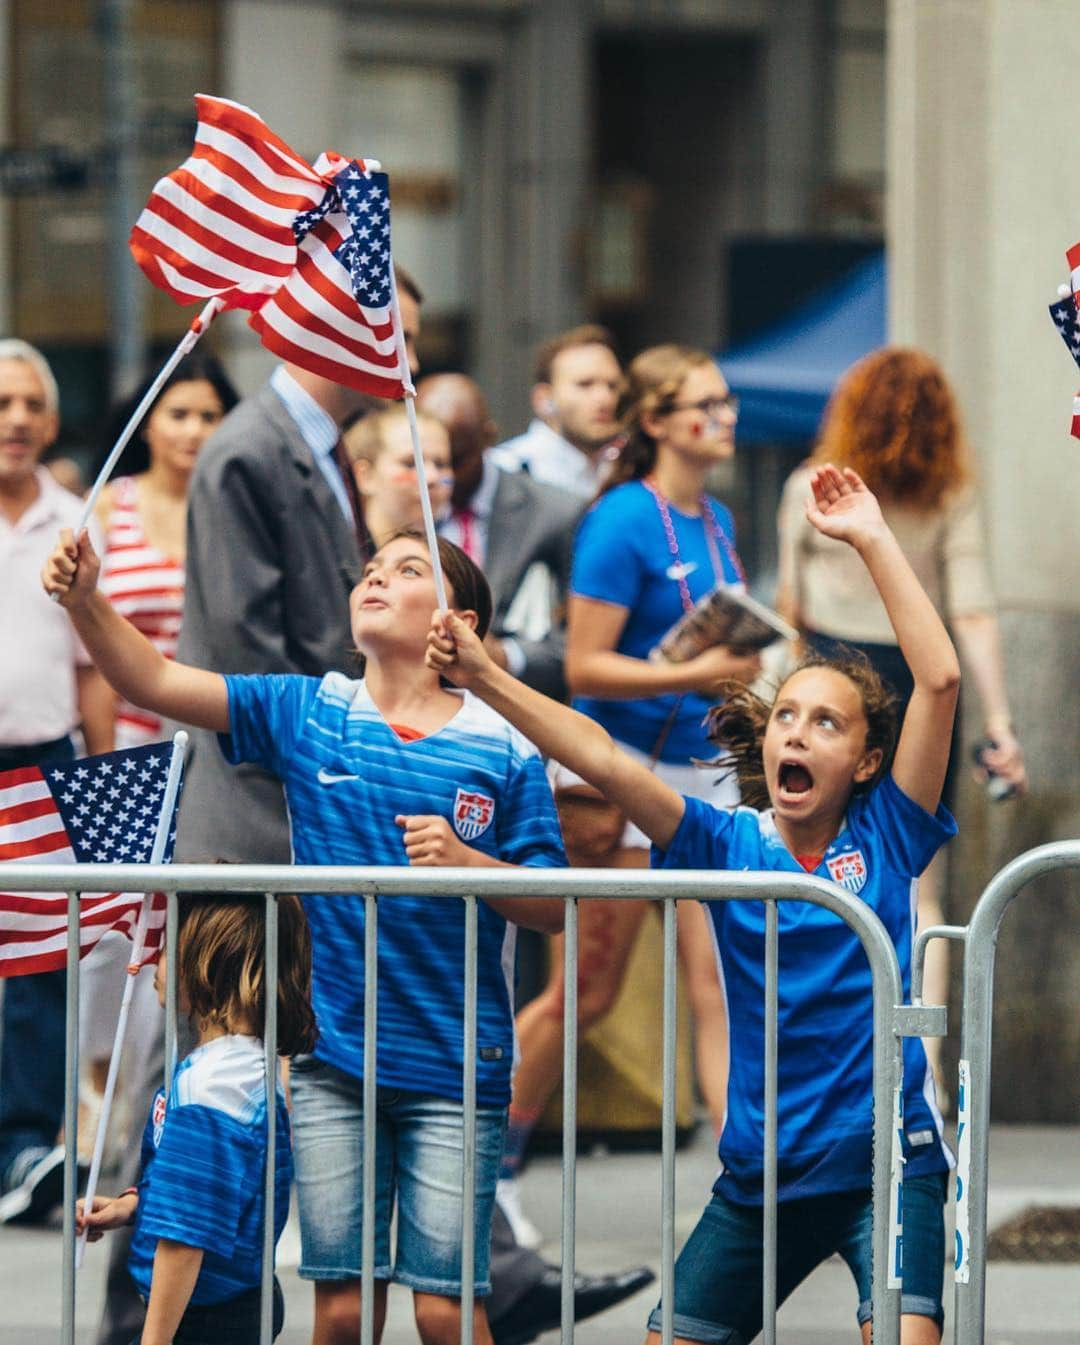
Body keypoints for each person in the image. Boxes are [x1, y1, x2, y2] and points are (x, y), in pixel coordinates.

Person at [427, 463, 961, 1345]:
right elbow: (605, 760)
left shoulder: (890, 833)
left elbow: (937, 682)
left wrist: (871, 538)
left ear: (868, 762)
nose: (798, 730)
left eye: (828, 722)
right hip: (763, 1177)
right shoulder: (727, 840)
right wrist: (484, 676)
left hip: (884, 1164)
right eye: (788, 713)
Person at [45, 525, 569, 1345]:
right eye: (368, 569)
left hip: (458, 1064)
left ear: (459, 622)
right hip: (331, 1060)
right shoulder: (310, 708)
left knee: (445, 1310)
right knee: (343, 1306)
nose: (375, 578)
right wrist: (84, 601)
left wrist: (469, 862)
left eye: (406, 569)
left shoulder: (504, 746)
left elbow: (554, 903)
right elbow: (150, 677)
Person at [495, 345, 759, 1242]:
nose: (723, 417)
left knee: (719, 988)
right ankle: (493, 1166)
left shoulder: (716, 516)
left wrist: (734, 672)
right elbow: (583, 666)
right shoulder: (621, 519)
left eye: (725, 402)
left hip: (705, 781)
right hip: (620, 777)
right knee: (584, 995)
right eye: (705, 404)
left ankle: (746, 1189)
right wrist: (711, 664)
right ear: (657, 421)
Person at [775, 346, 1027, 1085]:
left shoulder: (806, 487)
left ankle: (821, 1049)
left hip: (828, 686)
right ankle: (928, 1065)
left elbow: (792, 611)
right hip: (918, 685)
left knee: (808, 864)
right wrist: (1000, 723)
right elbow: (972, 613)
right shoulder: (950, 496)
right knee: (920, 881)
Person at [77, 354, 239, 1160]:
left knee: (191, 940)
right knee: (114, 942)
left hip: (215, 751)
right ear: (148, 420)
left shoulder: (228, 506)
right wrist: (110, 768)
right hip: (131, 745)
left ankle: (157, 1124)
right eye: (179, 413)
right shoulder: (111, 504)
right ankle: (99, 1093)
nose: (195, 431)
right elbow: (88, 653)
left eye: (210, 415)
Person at [77, 892, 316, 1345]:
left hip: (203, 1316)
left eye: (165, 945)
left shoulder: (213, 1091)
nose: (150, 958)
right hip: (223, 1301)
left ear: (205, 964)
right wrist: (131, 1205)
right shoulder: (226, 1069)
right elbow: (205, 1192)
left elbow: (186, 1236)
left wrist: (154, 1340)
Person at [0, 339, 113, 1226]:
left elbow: (93, 667)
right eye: (2, 402)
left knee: (39, 961)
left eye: (31, 403)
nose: (16, 420)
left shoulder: (77, 521)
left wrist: (102, 783)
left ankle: (29, 1148)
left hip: (44, 761)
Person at [418, 372, 583, 700]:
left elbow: (581, 643)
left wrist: (506, 657)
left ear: (488, 437)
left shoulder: (556, 513)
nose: (440, 476)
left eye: (456, 460)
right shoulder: (401, 501)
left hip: (517, 705)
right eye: (428, 460)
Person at [491, 324, 622, 498]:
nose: (605, 398)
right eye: (585, 384)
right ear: (543, 399)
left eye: (612, 386)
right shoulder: (506, 471)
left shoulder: (624, 471)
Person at [342, 400, 453, 546]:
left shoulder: (452, 561)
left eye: (441, 464)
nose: (432, 477)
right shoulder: (338, 554)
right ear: (365, 476)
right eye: (410, 463)